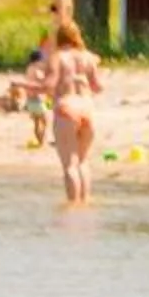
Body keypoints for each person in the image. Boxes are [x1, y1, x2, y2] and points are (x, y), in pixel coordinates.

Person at [34, 19, 108, 203]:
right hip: (87, 109)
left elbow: (49, 86)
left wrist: (24, 83)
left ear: (59, 38)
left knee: (69, 165)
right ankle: (85, 201)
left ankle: (73, 206)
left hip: (66, 109)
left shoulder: (57, 57)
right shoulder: (89, 58)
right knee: (83, 162)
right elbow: (98, 87)